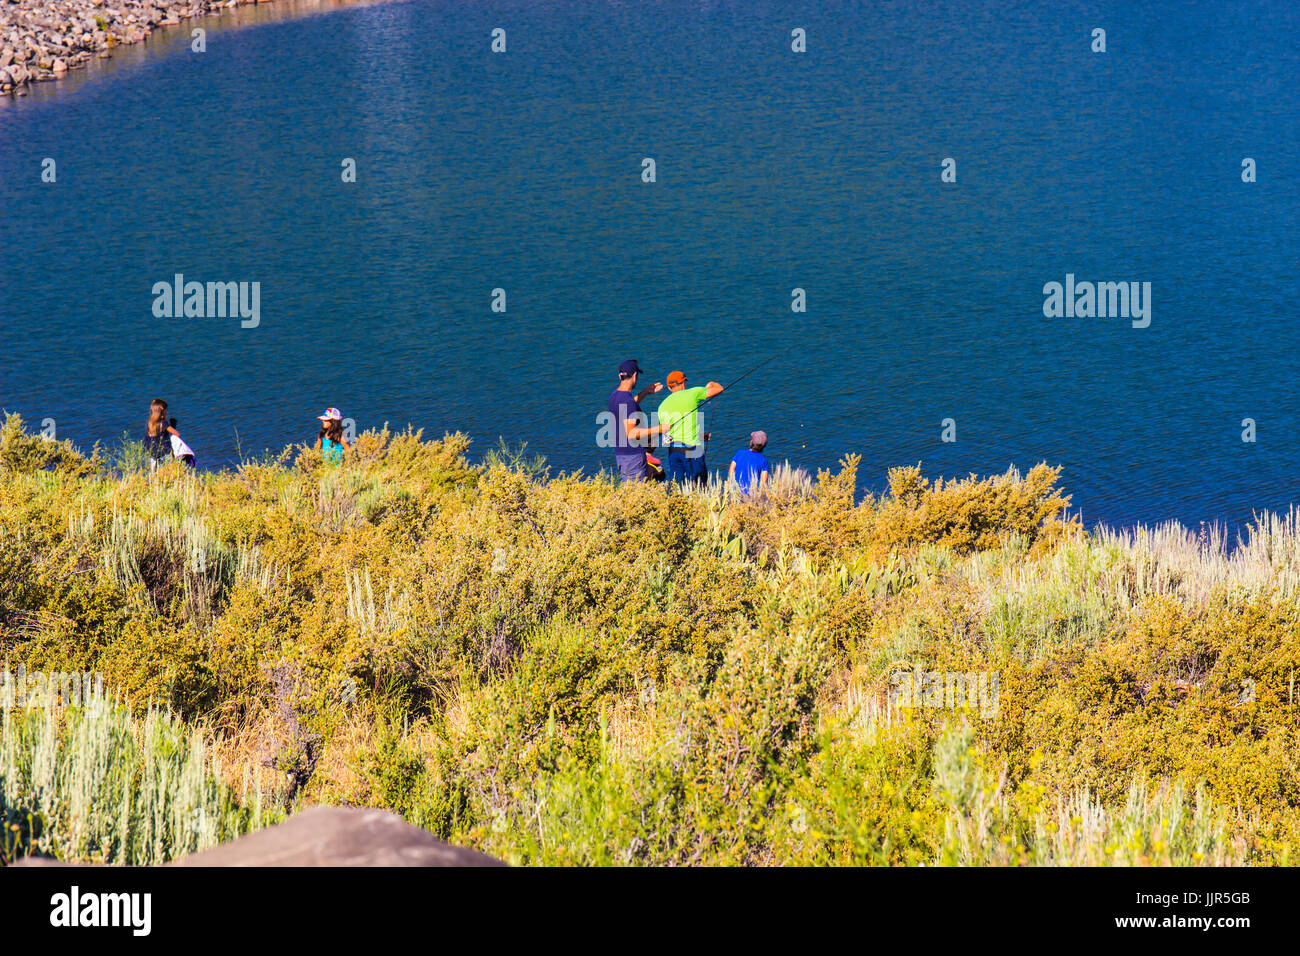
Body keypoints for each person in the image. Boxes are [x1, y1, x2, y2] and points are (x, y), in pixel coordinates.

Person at [607, 360, 671, 481]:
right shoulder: (628, 400)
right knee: (638, 493)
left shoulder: (614, 396)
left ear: (620, 376)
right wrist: (660, 428)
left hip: (621, 455)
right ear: (635, 375)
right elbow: (631, 433)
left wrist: (646, 392)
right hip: (633, 457)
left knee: (630, 492)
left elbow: (628, 407)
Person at [656, 370, 723, 485]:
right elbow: (719, 389)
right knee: (699, 485)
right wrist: (711, 384)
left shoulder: (662, 406)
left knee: (678, 487)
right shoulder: (693, 393)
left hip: (673, 451)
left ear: (669, 387)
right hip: (691, 449)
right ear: (683, 384)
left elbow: (669, 433)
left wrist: (701, 436)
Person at [144, 398, 180, 473]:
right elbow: (177, 434)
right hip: (164, 452)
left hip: (152, 453)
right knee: (168, 471)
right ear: (162, 411)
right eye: (166, 410)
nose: (167, 412)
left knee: (153, 473)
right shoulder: (163, 423)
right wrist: (173, 425)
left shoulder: (149, 423)